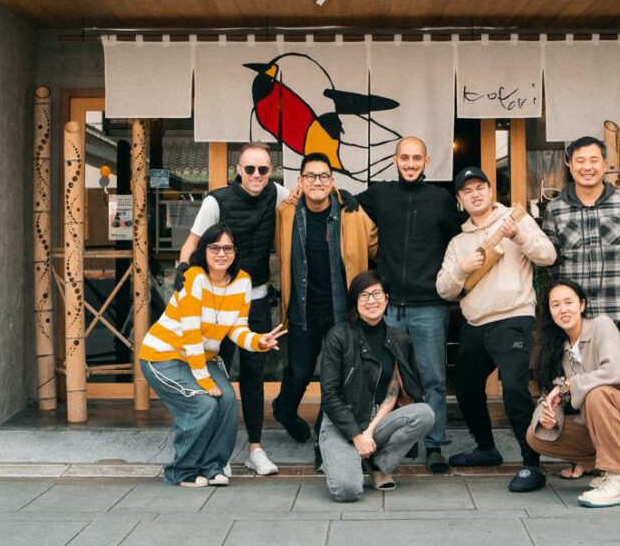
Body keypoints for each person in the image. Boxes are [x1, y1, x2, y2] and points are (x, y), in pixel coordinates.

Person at [436, 166, 557, 492]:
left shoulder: (515, 220)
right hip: (475, 324)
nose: (475, 194)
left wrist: (518, 235)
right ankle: (486, 448)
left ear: (490, 191)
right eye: (467, 191)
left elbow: (547, 255)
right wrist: (462, 269)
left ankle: (531, 463)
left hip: (513, 318)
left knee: (515, 391)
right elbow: (444, 289)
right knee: (465, 389)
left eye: (480, 188)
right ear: (460, 199)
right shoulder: (458, 242)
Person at [176, 141, 292, 476]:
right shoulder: (216, 201)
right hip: (218, 300)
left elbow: (311, 195)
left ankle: (255, 449)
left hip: (256, 298)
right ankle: (219, 452)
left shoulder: (277, 194)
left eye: (263, 169)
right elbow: (192, 242)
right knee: (218, 373)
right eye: (249, 168)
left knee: (254, 377)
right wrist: (183, 271)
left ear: (271, 171)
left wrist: (345, 199)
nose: (256, 175)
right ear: (238, 170)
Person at [139, 223, 286, 488]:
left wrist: (258, 341)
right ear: (204, 251)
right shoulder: (194, 278)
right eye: (214, 247)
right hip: (163, 356)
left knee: (228, 400)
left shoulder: (242, 281)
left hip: (201, 358)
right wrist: (205, 382)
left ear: (235, 252)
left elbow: (237, 328)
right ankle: (182, 471)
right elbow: (191, 334)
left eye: (228, 248)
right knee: (202, 403)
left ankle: (212, 467)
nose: (221, 254)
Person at [355, 136, 462, 473]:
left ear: (427, 161)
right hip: (388, 307)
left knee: (432, 378)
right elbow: (343, 204)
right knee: (386, 378)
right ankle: (393, 439)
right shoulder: (380, 194)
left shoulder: (440, 198)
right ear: (395, 160)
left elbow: (459, 239)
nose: (411, 164)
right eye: (405, 157)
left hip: (428, 305)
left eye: (417, 158)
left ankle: (434, 444)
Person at [527, 279, 620, 508]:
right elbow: (550, 395)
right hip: (607, 425)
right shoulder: (557, 349)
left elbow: (611, 372)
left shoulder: (602, 326)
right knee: (536, 434)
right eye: (556, 305)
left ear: (582, 305)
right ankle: (616, 466)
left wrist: (568, 386)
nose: (563, 309)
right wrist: (548, 415)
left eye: (568, 302)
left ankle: (616, 481)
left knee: (596, 393)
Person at [273, 152, 378, 448]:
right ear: (300, 181)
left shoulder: (351, 213)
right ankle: (284, 410)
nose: (316, 182)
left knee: (336, 378)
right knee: (299, 373)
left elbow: (376, 245)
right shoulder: (286, 213)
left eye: (323, 176)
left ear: (332, 181)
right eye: (310, 176)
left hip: (341, 312)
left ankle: (324, 432)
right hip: (302, 309)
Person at [319, 271, 435, 502]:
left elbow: (393, 393)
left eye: (376, 294)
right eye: (364, 295)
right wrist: (356, 436)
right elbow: (329, 396)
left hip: (377, 421)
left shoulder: (399, 339)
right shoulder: (338, 335)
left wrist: (369, 432)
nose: (371, 301)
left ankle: (377, 464)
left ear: (387, 298)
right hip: (341, 423)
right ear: (355, 302)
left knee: (425, 413)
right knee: (347, 491)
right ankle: (345, 457)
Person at [541, 135, 620, 354]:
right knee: (573, 372)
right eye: (580, 161)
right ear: (570, 166)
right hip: (573, 318)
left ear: (604, 165)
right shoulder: (555, 209)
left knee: (619, 373)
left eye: (594, 160)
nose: (587, 167)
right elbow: (551, 258)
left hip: (616, 310)